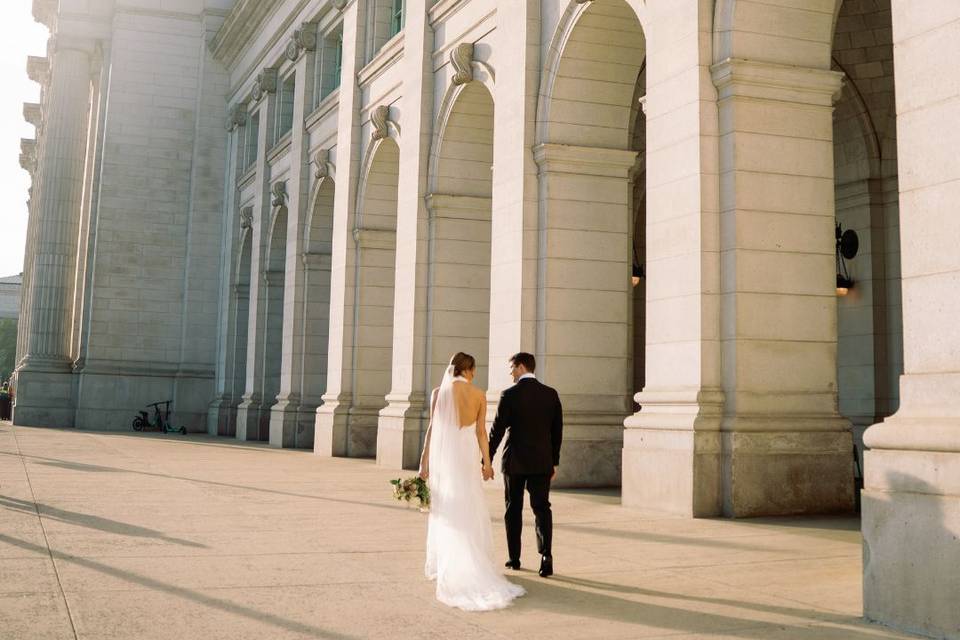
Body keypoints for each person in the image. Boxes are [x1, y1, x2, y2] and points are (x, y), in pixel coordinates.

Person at [419, 352, 525, 611]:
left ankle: (449, 561)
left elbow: (432, 429)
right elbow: (480, 433)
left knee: (447, 507)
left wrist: (423, 462)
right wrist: (487, 464)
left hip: (445, 459)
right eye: (474, 370)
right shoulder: (478, 395)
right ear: (469, 370)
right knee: (469, 504)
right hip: (466, 456)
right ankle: (472, 561)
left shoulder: (438, 393)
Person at [488, 352, 563, 578]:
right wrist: (554, 462)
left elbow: (497, 430)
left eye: (512, 367)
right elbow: (557, 432)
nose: (510, 372)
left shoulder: (509, 395)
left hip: (515, 462)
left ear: (521, 367)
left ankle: (514, 558)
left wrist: (486, 458)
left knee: (513, 509)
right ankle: (546, 556)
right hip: (542, 462)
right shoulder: (550, 394)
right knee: (542, 508)